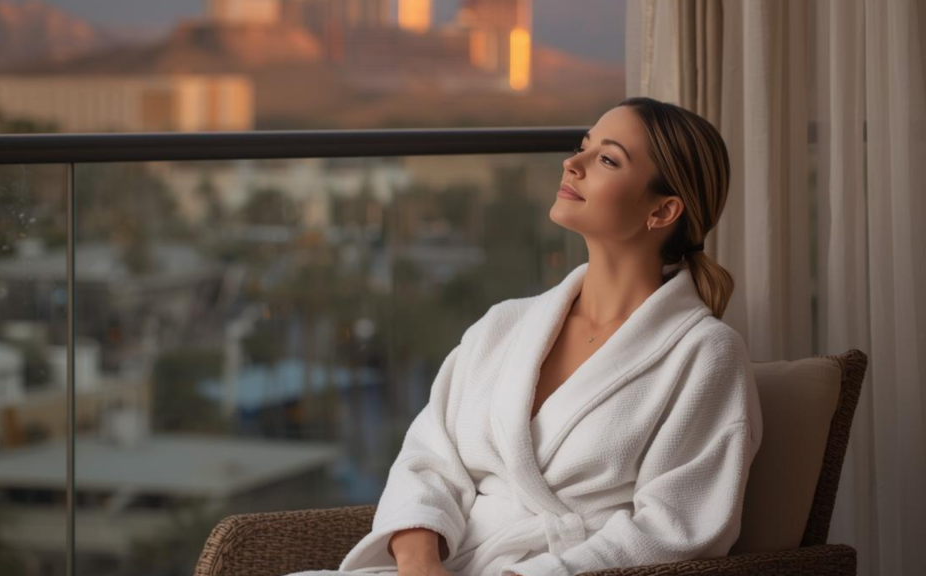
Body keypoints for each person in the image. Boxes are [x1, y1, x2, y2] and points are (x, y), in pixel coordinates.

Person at [287, 97, 764, 576]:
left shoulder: (705, 355)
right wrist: (419, 564)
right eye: (583, 146)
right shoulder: (506, 325)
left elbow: (675, 528)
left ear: (662, 210)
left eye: (605, 159)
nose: (571, 164)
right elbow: (427, 458)